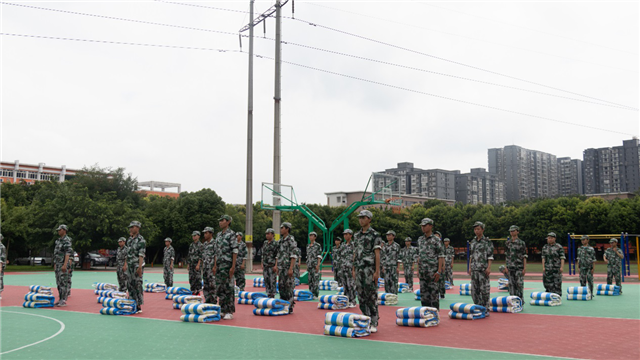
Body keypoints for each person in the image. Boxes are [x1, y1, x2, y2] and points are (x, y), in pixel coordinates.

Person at [352, 210, 382, 333]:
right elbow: (355, 253)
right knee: (361, 295)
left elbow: (377, 254)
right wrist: (353, 269)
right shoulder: (356, 235)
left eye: (363, 217)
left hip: (369, 269)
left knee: (371, 295)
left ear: (369, 219)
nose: (361, 220)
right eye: (360, 218)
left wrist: (377, 271)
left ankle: (374, 320)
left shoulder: (375, 235)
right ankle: (366, 317)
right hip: (359, 269)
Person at [213, 215, 238, 320]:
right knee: (220, 288)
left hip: (227, 265)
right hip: (219, 265)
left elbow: (235, 250)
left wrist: (233, 266)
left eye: (222, 221)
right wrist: (214, 265)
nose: (220, 223)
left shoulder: (231, 234)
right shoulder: (218, 235)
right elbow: (216, 252)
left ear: (228, 222)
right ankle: (223, 309)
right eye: (219, 221)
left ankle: (229, 310)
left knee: (228, 288)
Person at [416, 218, 444, 310]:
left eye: (425, 225)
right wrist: (418, 269)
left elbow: (440, 256)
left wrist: (439, 271)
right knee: (424, 295)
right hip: (423, 272)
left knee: (434, 295)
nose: (423, 228)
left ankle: (435, 315)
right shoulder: (420, 240)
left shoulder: (436, 240)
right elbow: (419, 255)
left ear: (431, 226)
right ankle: (425, 314)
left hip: (433, 272)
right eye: (422, 226)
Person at [468, 221, 493, 312]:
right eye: (475, 229)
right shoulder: (473, 242)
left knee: (484, 290)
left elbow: (490, 256)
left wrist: (489, 267)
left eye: (478, 229)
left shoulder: (487, 242)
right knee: (474, 291)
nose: (476, 231)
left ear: (482, 229)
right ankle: (478, 307)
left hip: (483, 269)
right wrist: (470, 267)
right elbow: (471, 255)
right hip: (474, 269)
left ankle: (485, 308)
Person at [124, 221, 146, 313]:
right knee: (129, 284)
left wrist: (140, 267)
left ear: (137, 228)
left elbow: (141, 254)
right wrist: (125, 264)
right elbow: (127, 253)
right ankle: (131, 302)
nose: (130, 229)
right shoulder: (129, 240)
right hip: (130, 265)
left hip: (137, 265)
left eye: (132, 227)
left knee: (137, 284)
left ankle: (138, 305)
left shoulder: (141, 240)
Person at [277, 222, 298, 313]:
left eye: (282, 228)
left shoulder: (291, 240)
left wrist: (291, 268)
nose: (281, 229)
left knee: (288, 286)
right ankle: (283, 304)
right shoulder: (281, 241)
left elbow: (293, 256)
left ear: (287, 229)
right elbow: (278, 254)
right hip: (281, 267)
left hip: (288, 267)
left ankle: (289, 306)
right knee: (281, 286)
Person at [505, 225, 527, 299]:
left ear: (517, 231)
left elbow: (524, 256)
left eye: (513, 231)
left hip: (519, 267)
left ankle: (520, 300)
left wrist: (524, 268)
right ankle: (513, 300)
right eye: (511, 231)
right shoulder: (508, 243)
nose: (512, 232)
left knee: (519, 284)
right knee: (511, 284)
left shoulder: (521, 243)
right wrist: (506, 266)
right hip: (510, 267)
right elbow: (507, 256)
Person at [53, 224, 73, 307]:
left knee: (63, 282)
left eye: (60, 230)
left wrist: (65, 264)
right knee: (58, 282)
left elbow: (68, 253)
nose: (58, 231)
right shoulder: (58, 240)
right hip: (58, 264)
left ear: (64, 230)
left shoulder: (67, 240)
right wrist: (55, 263)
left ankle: (63, 300)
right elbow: (56, 253)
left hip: (62, 264)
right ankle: (60, 298)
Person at [340, 229, 356, 307]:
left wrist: (354, 269)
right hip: (343, 267)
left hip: (350, 267)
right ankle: (346, 300)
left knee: (351, 285)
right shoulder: (343, 245)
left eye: (347, 234)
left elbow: (355, 257)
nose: (345, 236)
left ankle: (353, 301)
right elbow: (341, 256)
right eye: (344, 234)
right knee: (345, 285)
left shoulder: (353, 245)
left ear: (350, 235)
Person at [201, 227, 217, 304]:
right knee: (206, 285)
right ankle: (207, 300)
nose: (204, 235)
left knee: (212, 285)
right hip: (205, 268)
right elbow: (202, 256)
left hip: (211, 268)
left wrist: (215, 266)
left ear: (211, 233)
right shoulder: (204, 244)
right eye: (204, 233)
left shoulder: (215, 243)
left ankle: (213, 301)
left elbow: (216, 256)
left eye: (206, 233)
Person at [262, 228, 279, 298]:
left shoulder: (275, 243)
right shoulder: (265, 243)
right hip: (265, 265)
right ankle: (268, 293)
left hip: (272, 265)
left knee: (272, 280)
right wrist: (262, 263)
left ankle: (273, 294)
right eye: (266, 234)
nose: (267, 235)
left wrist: (276, 265)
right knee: (266, 280)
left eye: (268, 234)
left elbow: (277, 255)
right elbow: (263, 254)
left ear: (272, 235)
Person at [382, 230, 400, 294]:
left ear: (393, 236)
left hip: (393, 266)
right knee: (387, 281)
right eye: (387, 235)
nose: (388, 237)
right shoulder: (385, 246)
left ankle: (394, 295)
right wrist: (383, 267)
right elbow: (383, 257)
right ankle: (388, 295)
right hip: (386, 266)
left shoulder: (396, 246)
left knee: (394, 281)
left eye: (390, 235)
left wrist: (398, 267)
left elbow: (399, 257)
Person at [306, 232, 323, 299]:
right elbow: (307, 256)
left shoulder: (317, 245)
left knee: (315, 280)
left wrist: (318, 265)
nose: (310, 237)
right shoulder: (308, 246)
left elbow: (319, 256)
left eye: (312, 236)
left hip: (315, 265)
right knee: (310, 280)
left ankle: (315, 294)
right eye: (310, 236)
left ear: (315, 237)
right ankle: (310, 293)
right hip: (309, 265)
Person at [188, 231, 203, 295]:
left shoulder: (200, 245)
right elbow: (189, 255)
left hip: (197, 264)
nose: (193, 237)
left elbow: (201, 256)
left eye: (195, 235)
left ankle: (198, 291)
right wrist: (188, 264)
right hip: (191, 264)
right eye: (193, 236)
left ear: (198, 236)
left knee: (197, 278)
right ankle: (193, 290)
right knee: (191, 277)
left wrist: (198, 264)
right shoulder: (191, 245)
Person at [0, 234, 6, 300]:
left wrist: (0, 266)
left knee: (0, 278)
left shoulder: (2, 247)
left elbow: (2, 257)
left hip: (0, 265)